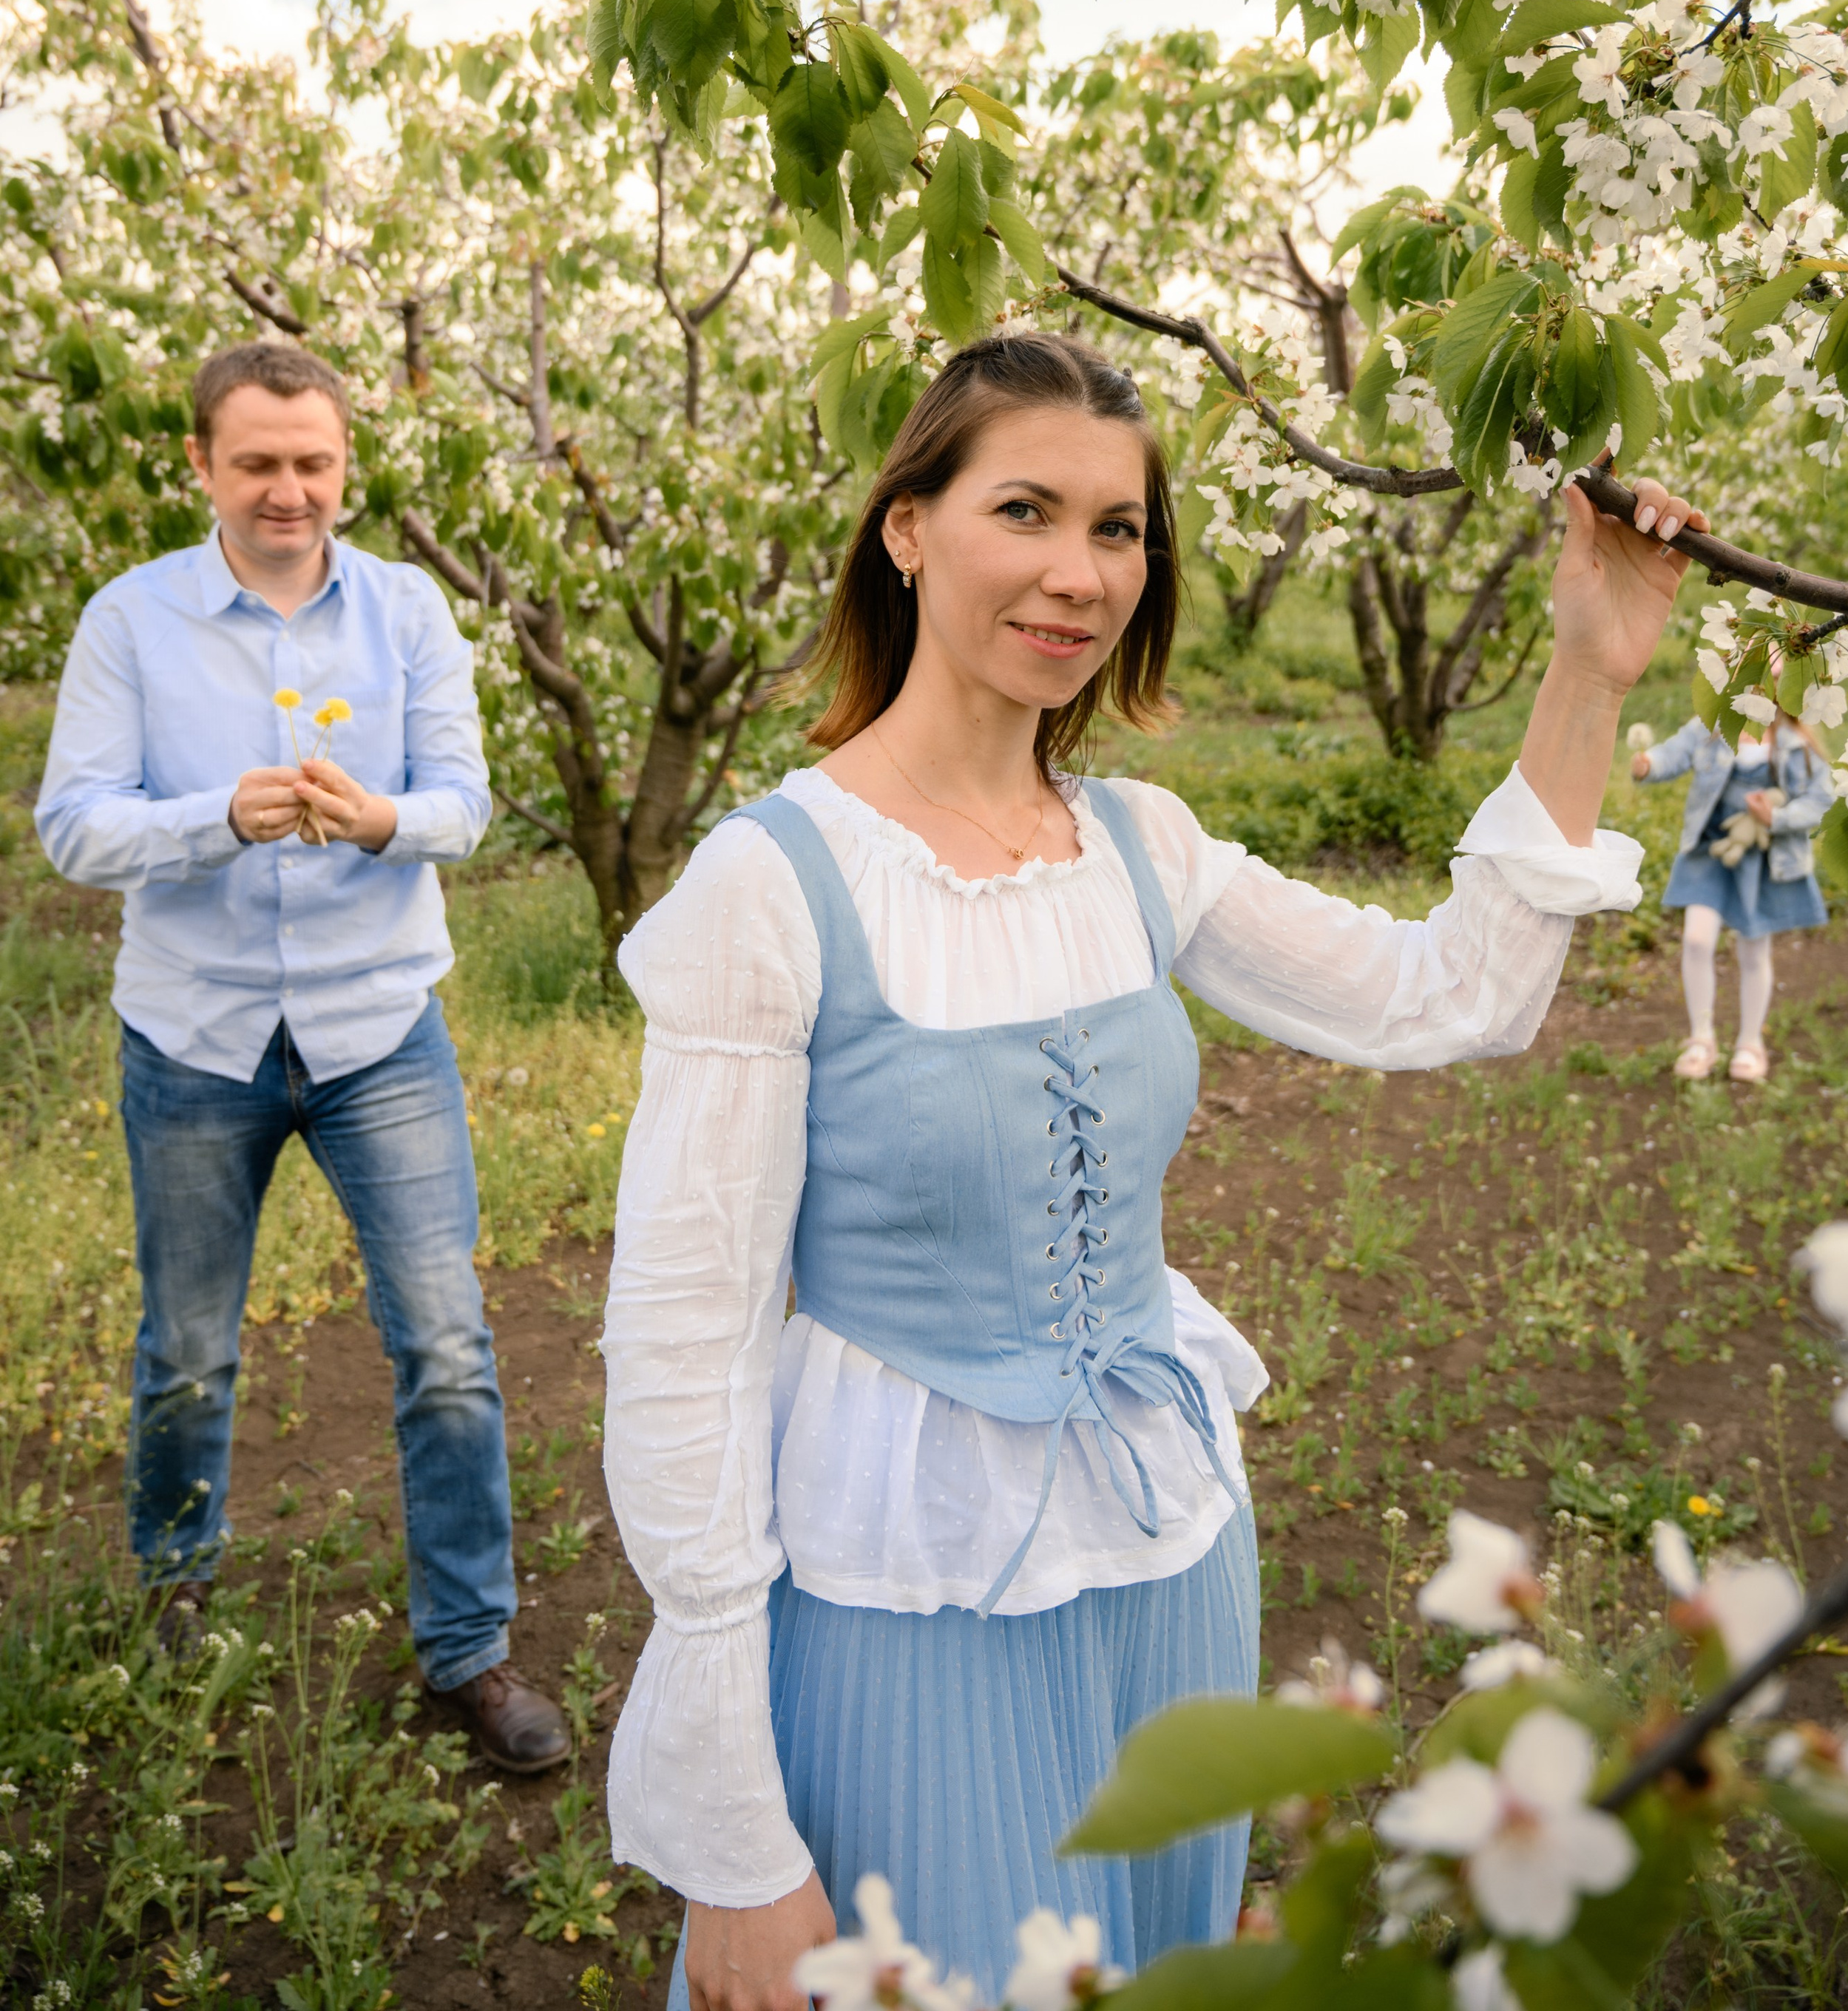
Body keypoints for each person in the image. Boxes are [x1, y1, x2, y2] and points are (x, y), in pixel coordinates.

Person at [598, 331, 1706, 2010]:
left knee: (1148, 1967)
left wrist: (1586, 670)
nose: (1076, 570)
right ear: (905, 526)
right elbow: (680, 1352)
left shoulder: (1136, 845)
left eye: (1116, 528)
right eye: (1024, 508)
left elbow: (1454, 997)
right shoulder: (774, 884)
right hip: (908, 1581)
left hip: (1168, 1546)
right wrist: (729, 1841)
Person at [35, 339, 570, 1775]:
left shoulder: (405, 614)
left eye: (312, 463)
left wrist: (381, 820)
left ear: (346, 467)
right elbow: (73, 827)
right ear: (202, 464)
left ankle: (470, 1649)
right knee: (192, 1353)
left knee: (447, 1347)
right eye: (258, 462)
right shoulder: (131, 621)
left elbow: (464, 800)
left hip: (377, 1028)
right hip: (197, 1037)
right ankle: (176, 1586)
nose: (288, 490)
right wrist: (221, 814)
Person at [1628, 708, 1835, 1083]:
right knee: (1695, 940)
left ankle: (1750, 1041)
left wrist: (1778, 818)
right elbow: (1675, 752)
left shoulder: (1793, 742)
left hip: (1764, 858)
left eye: (1773, 680)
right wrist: (1649, 763)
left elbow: (1820, 798)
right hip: (1709, 852)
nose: (1760, 690)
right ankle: (1701, 1038)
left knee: (1754, 949)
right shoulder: (1711, 726)